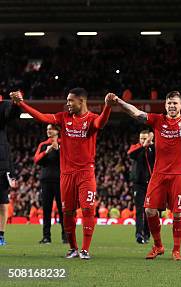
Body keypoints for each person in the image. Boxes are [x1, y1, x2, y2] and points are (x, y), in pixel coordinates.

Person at [111, 90, 181, 260]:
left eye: (175, 103)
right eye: (169, 103)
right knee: (149, 210)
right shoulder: (157, 120)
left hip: (179, 174)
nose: (172, 106)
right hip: (159, 174)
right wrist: (119, 101)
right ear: (165, 105)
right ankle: (158, 246)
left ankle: (176, 250)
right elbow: (136, 113)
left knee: (177, 214)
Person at [11, 88, 112, 259]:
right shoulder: (63, 118)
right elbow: (42, 117)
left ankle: (85, 250)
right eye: (67, 100)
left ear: (82, 101)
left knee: (88, 209)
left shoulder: (92, 119)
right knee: (67, 212)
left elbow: (101, 123)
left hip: (86, 173)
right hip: (66, 175)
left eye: (71, 101)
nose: (68, 103)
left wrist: (107, 107)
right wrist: (22, 104)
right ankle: (73, 248)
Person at [34, 124, 66, 244]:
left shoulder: (64, 144)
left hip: (60, 180)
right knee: (46, 210)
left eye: (51, 129)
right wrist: (46, 152)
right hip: (46, 180)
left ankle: (66, 236)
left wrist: (57, 149)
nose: (48, 131)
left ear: (57, 131)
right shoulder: (43, 145)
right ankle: (46, 237)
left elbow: (67, 160)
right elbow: (36, 160)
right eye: (47, 129)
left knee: (62, 210)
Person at [127, 130, 155, 244]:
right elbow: (131, 154)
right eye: (141, 138)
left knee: (149, 210)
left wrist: (150, 145)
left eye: (145, 138)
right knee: (139, 210)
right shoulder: (135, 147)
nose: (143, 140)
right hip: (138, 185)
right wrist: (144, 145)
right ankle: (139, 234)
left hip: (151, 184)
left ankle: (147, 234)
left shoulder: (153, 148)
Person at [0, 98, 20, 246]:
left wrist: (16, 104)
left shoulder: (3, 108)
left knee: (2, 204)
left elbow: (12, 114)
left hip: (1, 169)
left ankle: (0, 236)